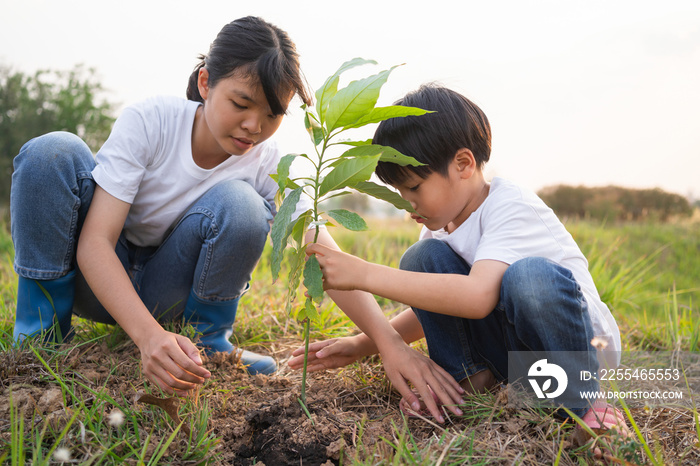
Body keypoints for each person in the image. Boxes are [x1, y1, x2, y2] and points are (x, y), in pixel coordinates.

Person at [10, 17, 465, 407]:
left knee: (243, 204)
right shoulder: (150, 123)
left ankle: (208, 347)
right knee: (53, 152)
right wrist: (147, 339)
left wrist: (387, 344)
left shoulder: (265, 162)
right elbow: (94, 243)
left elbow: (318, 249)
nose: (254, 127)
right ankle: (42, 336)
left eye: (272, 115)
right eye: (241, 105)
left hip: (168, 292)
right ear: (206, 83)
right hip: (95, 283)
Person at [291, 84, 628, 435]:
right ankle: (469, 382)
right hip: (518, 362)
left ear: (463, 164)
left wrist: (363, 273)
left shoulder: (511, 207)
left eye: (415, 188)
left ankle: (586, 405)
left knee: (529, 277)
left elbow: (476, 297)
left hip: (570, 356)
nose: (407, 204)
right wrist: (364, 344)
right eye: (399, 194)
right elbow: (437, 302)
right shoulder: (442, 226)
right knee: (424, 259)